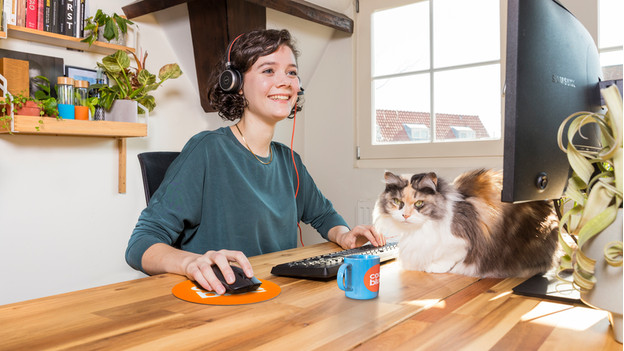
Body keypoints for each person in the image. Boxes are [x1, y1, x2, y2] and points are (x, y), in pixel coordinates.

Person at [125, 29, 385, 295]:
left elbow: (324, 215)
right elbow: (140, 244)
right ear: (235, 83)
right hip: (220, 303)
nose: (284, 81)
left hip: (276, 296)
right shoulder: (207, 150)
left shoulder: (289, 161)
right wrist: (190, 262)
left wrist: (343, 235)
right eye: (268, 71)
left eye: (292, 72)